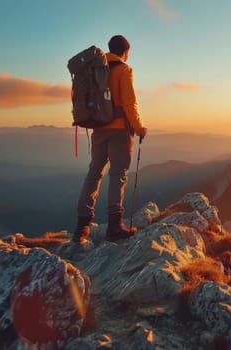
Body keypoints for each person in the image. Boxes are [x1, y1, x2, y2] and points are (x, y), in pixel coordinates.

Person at [73, 35, 148, 244]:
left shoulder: (95, 70)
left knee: (94, 174)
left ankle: (81, 227)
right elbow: (129, 103)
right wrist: (139, 127)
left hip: (98, 129)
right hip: (119, 131)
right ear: (125, 51)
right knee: (118, 175)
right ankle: (115, 226)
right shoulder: (124, 70)